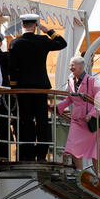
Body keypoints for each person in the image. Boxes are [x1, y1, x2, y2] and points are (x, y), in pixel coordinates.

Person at [9, 14, 67, 161]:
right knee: (42, 121)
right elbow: (62, 43)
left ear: (22, 25)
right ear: (35, 25)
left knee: (26, 121)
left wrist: (14, 87)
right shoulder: (42, 40)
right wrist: (48, 30)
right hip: (41, 88)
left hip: (23, 89)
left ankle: (27, 154)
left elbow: (13, 68)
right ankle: (41, 155)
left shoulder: (15, 43)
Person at [55, 56, 100, 172]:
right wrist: (58, 107)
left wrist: (92, 114)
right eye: (70, 65)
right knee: (72, 147)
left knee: (95, 149)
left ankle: (98, 175)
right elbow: (70, 98)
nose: (70, 67)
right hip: (77, 120)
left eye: (73, 65)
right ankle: (80, 172)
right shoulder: (71, 80)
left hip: (91, 121)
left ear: (81, 67)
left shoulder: (93, 80)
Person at [0, 30, 15, 159]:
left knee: (3, 125)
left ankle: (4, 155)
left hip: (3, 95)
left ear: (0, 43)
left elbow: (8, 62)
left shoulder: (4, 56)